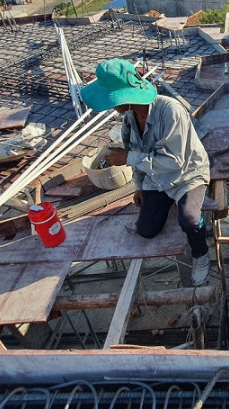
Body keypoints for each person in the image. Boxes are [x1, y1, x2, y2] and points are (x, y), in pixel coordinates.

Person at [80, 59, 212, 286]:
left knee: (189, 220)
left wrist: (127, 158)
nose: (112, 107)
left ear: (127, 96)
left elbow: (175, 161)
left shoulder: (170, 111)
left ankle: (202, 254)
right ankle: (169, 204)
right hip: (156, 178)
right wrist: (139, 186)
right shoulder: (129, 119)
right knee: (146, 230)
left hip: (187, 175)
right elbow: (135, 153)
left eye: (113, 100)